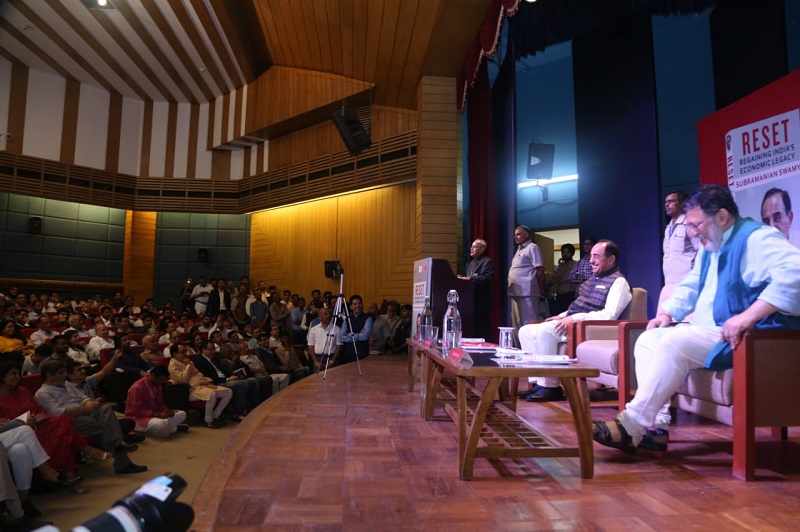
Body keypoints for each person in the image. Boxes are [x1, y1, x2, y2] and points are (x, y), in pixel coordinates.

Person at [592, 185, 800, 453]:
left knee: (675, 341)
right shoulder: (710, 246)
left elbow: (795, 273)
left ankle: (631, 424)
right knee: (647, 340)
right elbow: (691, 285)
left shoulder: (758, 238)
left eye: (695, 224)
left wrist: (748, 316)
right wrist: (667, 313)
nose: (691, 232)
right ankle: (656, 427)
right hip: (711, 330)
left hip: (747, 334)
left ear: (722, 217)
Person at [518, 240, 632, 401]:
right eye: (591, 256)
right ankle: (537, 382)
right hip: (574, 321)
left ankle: (550, 386)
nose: (591, 260)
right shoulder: (593, 279)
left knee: (545, 331)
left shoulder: (619, 282)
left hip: (589, 328)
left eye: (596, 256)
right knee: (526, 331)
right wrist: (563, 315)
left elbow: (609, 315)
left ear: (611, 259)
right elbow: (578, 306)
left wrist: (574, 318)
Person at [0, 361, 109, 494]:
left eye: (18, 373)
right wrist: (21, 422)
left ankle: (75, 468)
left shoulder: (23, 391)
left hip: (37, 426)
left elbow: (39, 409)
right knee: (63, 431)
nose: (17, 377)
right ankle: (80, 462)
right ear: (2, 376)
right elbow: (4, 425)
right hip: (19, 435)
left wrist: (38, 416)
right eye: (12, 374)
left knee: (61, 422)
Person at [35, 359, 147, 474]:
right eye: (61, 373)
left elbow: (82, 397)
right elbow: (59, 412)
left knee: (105, 409)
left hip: (85, 412)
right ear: (49, 375)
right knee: (108, 426)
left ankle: (118, 446)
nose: (65, 375)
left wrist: (91, 404)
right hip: (69, 421)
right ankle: (120, 453)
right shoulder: (43, 393)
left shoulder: (67, 384)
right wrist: (85, 409)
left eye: (65, 372)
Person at [168, 344, 232, 429]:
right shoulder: (173, 365)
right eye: (182, 352)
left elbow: (198, 374)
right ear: (174, 353)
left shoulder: (188, 361)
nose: (185, 354)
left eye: (185, 351)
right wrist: (188, 366)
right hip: (190, 389)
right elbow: (183, 379)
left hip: (202, 385)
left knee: (228, 392)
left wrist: (206, 381)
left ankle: (215, 416)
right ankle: (208, 420)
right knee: (212, 394)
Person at [125, 366, 188, 438]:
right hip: (137, 419)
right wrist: (157, 415)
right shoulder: (137, 388)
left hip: (156, 415)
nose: (161, 382)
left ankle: (169, 426)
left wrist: (165, 410)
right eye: (160, 380)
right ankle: (172, 427)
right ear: (152, 375)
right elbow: (137, 412)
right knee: (162, 427)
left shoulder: (158, 384)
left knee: (182, 414)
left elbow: (160, 403)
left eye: (163, 380)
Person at [508, 225, 545, 331]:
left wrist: (541, 287)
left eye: (518, 234)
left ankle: (531, 347)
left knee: (529, 322)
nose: (515, 237)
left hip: (527, 292)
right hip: (515, 291)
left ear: (526, 235)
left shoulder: (532, 247)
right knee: (516, 324)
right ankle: (519, 347)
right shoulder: (519, 250)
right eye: (515, 235)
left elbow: (540, 269)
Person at [458, 239, 495, 340]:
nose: (471, 248)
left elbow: (486, 279)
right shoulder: (471, 263)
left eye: (474, 247)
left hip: (481, 302)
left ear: (482, 249)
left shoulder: (487, 262)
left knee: (482, 330)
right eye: (471, 246)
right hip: (471, 302)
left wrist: (469, 279)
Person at [663, 191, 701, 286]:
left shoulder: (689, 224)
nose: (667, 205)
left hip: (688, 284)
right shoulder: (668, 228)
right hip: (670, 284)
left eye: (671, 201)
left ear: (682, 203)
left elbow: (701, 250)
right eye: (666, 202)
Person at [338, 295, 372, 365]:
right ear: (351, 306)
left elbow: (365, 337)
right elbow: (341, 337)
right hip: (348, 354)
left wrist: (350, 334)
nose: (358, 306)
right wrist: (358, 335)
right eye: (355, 304)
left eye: (359, 303)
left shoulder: (368, 318)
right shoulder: (347, 319)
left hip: (362, 354)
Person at [547, 243, 578, 316]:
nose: (565, 254)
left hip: (570, 295)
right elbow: (552, 280)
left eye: (567, 252)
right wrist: (559, 268)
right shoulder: (560, 266)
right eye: (563, 253)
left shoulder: (576, 265)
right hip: (559, 296)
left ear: (572, 253)